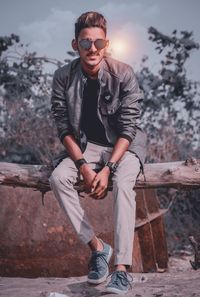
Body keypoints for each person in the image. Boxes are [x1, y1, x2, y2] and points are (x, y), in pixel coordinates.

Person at [49, 11, 147, 295]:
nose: (93, 49)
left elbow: (128, 129)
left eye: (99, 43)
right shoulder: (63, 77)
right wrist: (82, 165)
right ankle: (98, 248)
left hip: (123, 147)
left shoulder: (124, 73)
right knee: (57, 178)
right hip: (85, 147)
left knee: (125, 183)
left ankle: (121, 270)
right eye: (85, 43)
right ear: (74, 44)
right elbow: (63, 127)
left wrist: (108, 169)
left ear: (107, 44)